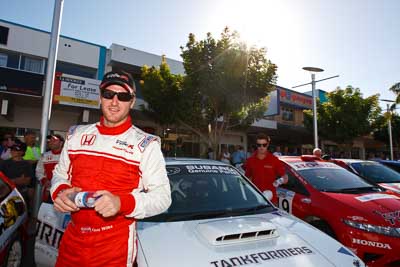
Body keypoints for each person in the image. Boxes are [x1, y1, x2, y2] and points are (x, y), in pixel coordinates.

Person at [50, 70, 172, 267]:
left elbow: (163, 198)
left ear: (132, 102)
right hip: (72, 244)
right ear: (100, 97)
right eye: (108, 94)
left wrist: (121, 202)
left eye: (123, 96)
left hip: (114, 250)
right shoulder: (76, 135)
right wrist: (60, 192)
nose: (114, 102)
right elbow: (59, 175)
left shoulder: (146, 144)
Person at [244, 133, 288, 204]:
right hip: (256, 200)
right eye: (259, 145)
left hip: (271, 201)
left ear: (267, 145)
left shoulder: (274, 160)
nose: (261, 147)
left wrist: (280, 181)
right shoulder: (250, 160)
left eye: (264, 145)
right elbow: (247, 179)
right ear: (256, 145)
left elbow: (285, 178)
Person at [0, 140, 33, 205]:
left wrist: (8, 181)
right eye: (12, 150)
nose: (13, 151)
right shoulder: (4, 163)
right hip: (5, 193)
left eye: (16, 150)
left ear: (22, 152)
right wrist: (15, 180)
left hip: (20, 193)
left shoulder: (27, 164)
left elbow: (27, 181)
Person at [35, 134, 65, 202]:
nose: (51, 142)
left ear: (61, 143)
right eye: (50, 140)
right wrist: (44, 180)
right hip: (49, 190)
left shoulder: (67, 155)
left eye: (54, 140)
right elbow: (38, 171)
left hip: (63, 191)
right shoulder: (45, 155)